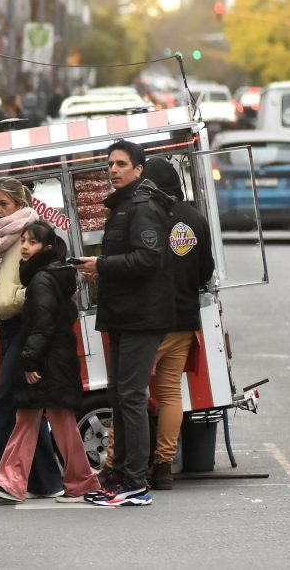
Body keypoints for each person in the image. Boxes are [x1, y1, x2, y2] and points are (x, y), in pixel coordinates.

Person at [101, 156, 215, 491]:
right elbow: (205, 272)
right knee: (169, 393)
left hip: (152, 318)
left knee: (128, 393)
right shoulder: (194, 218)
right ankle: (164, 466)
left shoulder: (150, 214)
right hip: (185, 318)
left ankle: (114, 464)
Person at [73, 140, 174, 507]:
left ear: (139, 169)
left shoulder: (142, 207)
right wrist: (97, 269)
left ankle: (135, 482)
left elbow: (147, 259)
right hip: (123, 315)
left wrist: (100, 266)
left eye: (120, 164)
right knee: (119, 396)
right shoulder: (123, 206)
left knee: (131, 398)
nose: (113, 170)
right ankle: (119, 476)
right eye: (109, 164)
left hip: (141, 318)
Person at [0, 221, 99, 504]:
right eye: (23, 240)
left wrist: (31, 361)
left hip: (47, 361)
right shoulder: (51, 275)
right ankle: (19, 481)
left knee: (41, 420)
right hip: (56, 359)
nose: (24, 246)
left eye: (31, 242)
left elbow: (42, 324)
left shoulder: (41, 280)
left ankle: (19, 481)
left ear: (46, 248)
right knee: (41, 420)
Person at [0, 177, 64, 501]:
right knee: (25, 404)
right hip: (5, 324)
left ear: (20, 204)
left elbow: (49, 274)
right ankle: (48, 481)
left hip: (25, 322)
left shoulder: (32, 231)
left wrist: (22, 297)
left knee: (3, 401)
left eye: (3, 203)